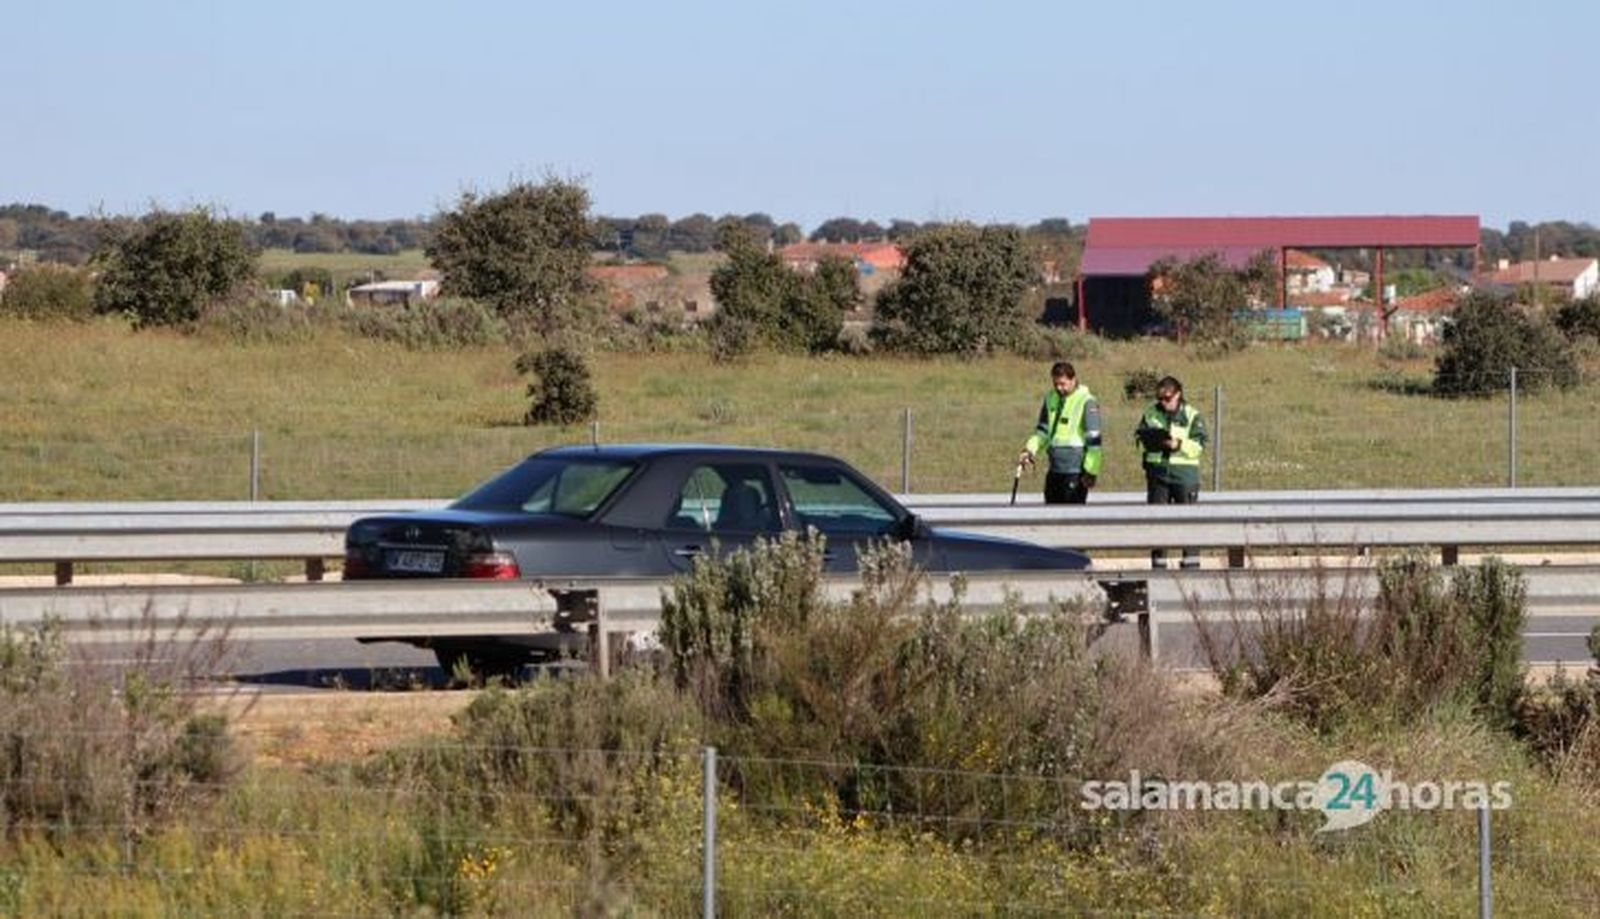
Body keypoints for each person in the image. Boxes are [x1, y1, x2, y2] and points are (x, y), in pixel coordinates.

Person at [1136, 375, 1207, 569]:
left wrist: (1178, 444)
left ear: (1178, 395)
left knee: (1188, 522)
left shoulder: (1192, 415)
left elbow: (1199, 445)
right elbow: (1141, 434)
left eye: (1168, 398)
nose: (1163, 402)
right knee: (1158, 523)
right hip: (1157, 474)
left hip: (1184, 475)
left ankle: (1191, 565)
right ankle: (1159, 566)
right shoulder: (1150, 413)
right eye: (1160, 398)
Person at [1017, 361, 1103, 504]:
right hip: (1055, 470)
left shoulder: (1087, 401)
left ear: (1073, 379)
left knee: (1072, 518)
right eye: (1055, 384)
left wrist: (1091, 471)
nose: (1059, 388)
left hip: (1075, 472)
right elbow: (1042, 431)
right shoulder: (1051, 398)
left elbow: (1094, 441)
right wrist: (1029, 450)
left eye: (1063, 384)